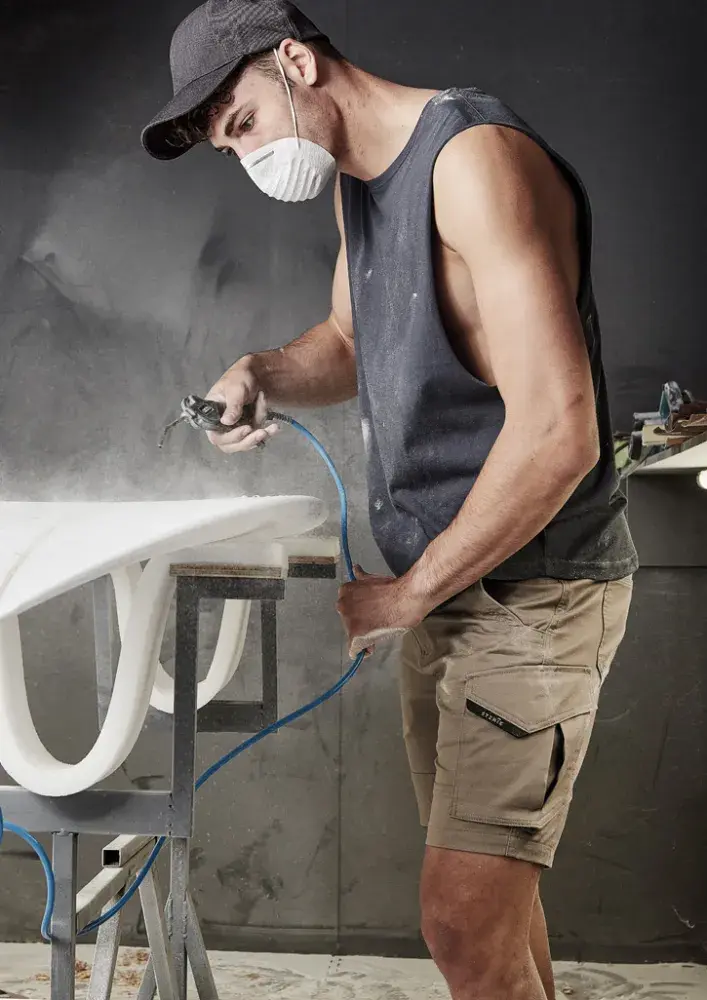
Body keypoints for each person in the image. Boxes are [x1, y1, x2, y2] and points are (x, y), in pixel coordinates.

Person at [142, 2, 639, 997]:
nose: (248, 158)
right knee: (493, 913)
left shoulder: (474, 161)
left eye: (243, 123)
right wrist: (261, 371)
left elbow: (559, 430)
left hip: (531, 589)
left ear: (294, 61)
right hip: (450, 587)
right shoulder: (361, 185)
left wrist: (406, 594)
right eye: (227, 149)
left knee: (460, 920)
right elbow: (348, 338)